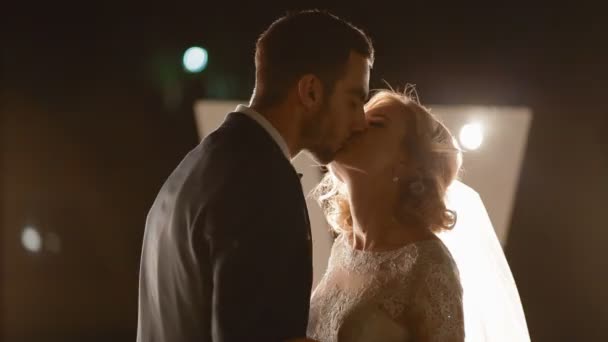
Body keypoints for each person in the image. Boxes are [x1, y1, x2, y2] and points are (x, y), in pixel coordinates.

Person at [136, 10, 374, 342]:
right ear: (310, 92)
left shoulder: (192, 169)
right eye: (354, 100)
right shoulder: (264, 184)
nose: (361, 121)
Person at [308, 89, 465, 341]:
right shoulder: (343, 247)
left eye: (377, 123)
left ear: (409, 163)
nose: (355, 124)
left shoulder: (428, 264)